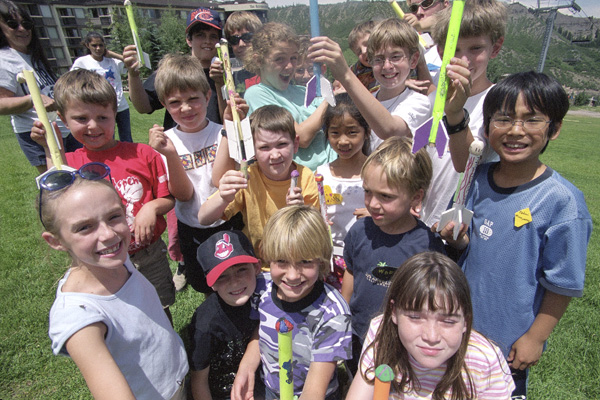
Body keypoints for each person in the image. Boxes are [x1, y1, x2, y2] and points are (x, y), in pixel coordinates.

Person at [435, 71, 593, 397]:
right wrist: (458, 240)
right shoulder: (474, 180)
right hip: (455, 332)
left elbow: (562, 283)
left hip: (506, 347)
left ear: (555, 128)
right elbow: (466, 245)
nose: (516, 131)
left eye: (532, 120)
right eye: (503, 119)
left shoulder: (561, 202)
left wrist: (534, 338)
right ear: (487, 126)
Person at [30, 69, 177, 318]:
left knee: (159, 308)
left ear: (115, 114)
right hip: (98, 259)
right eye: (81, 118)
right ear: (63, 120)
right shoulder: (69, 164)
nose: (93, 126)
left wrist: (151, 208)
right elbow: (56, 203)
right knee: (115, 314)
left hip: (147, 253)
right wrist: (50, 147)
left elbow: (168, 198)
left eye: (102, 117)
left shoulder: (142, 154)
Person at [41, 169, 188, 399]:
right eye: (84, 227)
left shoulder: (116, 261)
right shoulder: (79, 317)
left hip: (178, 378)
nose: (108, 234)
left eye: (113, 217)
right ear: (55, 241)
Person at [347, 251, 515, 399]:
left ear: (466, 320)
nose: (431, 336)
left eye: (448, 321)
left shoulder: (483, 358)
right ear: (394, 312)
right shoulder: (381, 331)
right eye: (415, 317)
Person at [341, 136, 445, 374]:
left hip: (403, 343)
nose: (373, 204)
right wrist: (343, 315)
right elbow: (351, 272)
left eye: (386, 196)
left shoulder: (428, 244)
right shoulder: (359, 231)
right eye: (368, 192)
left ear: (416, 197)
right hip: (359, 334)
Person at [232, 205, 352, 400]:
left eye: (305, 262)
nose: (293, 275)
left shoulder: (333, 313)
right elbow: (262, 329)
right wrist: (246, 367)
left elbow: (314, 391)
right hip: (270, 390)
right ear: (267, 257)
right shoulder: (261, 288)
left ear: (321, 262)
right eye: (281, 261)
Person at [150, 53, 245, 294]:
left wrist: (229, 129)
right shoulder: (165, 143)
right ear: (164, 103)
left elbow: (220, 179)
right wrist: (170, 155)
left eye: (193, 98)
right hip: (191, 226)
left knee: (236, 279)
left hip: (228, 221)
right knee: (203, 282)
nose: (185, 108)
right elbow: (183, 195)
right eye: (175, 102)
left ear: (208, 96)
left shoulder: (221, 132)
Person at [420, 0, 506, 227]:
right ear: (440, 51)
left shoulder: (498, 102)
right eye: (454, 49)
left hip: (459, 227)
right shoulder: (430, 92)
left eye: (476, 48)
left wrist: (455, 112)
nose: (464, 60)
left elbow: (466, 163)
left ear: (495, 48)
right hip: (417, 220)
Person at [198, 104, 320, 259]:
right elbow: (203, 218)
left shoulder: (305, 177)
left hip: (295, 260)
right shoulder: (248, 177)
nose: (275, 155)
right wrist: (223, 197)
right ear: (252, 151)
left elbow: (315, 230)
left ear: (295, 144)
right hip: (258, 265)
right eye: (264, 147)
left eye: (282, 144)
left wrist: (300, 211)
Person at [309, 18, 431, 152]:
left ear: (413, 60)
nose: (387, 66)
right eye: (378, 59)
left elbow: (390, 131)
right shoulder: (361, 104)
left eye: (396, 57)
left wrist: (346, 75)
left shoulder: (420, 102)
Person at [243, 22, 336, 171]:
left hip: (331, 171)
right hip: (302, 179)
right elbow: (301, 137)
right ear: (259, 60)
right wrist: (330, 99)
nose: (290, 66)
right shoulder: (256, 94)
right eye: (280, 59)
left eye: (293, 58)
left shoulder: (300, 91)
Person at [0, 0, 79, 174]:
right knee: (58, 185)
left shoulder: (33, 56)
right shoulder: (4, 59)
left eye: (26, 24)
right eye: (13, 24)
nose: (22, 29)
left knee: (80, 180)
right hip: (38, 133)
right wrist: (32, 99)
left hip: (64, 128)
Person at [189, 230, 266, 400]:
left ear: (257, 267)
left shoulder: (266, 296)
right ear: (211, 284)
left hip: (260, 382)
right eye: (222, 276)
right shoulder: (205, 324)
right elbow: (198, 381)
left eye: (241, 270)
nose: (234, 281)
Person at [124, 7, 223, 131]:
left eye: (213, 36)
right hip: (179, 147)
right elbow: (143, 107)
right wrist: (133, 75)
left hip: (217, 145)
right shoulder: (174, 69)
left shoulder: (226, 74)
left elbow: (228, 118)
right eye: (200, 35)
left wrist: (220, 83)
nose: (207, 41)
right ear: (189, 40)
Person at [315, 93, 370, 290]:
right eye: (335, 133)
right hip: (331, 261)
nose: (343, 141)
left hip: (367, 258)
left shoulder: (376, 172)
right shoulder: (321, 174)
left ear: (366, 131)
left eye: (352, 132)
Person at [71, 31, 132, 143]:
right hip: (101, 107)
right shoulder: (82, 62)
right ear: (87, 45)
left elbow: (132, 62)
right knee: (108, 137)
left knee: (126, 137)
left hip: (121, 105)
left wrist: (112, 54)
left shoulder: (113, 61)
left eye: (101, 45)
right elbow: (73, 80)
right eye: (94, 45)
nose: (98, 48)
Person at [209, 10, 263, 100]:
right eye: (234, 40)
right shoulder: (234, 79)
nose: (241, 44)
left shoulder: (274, 72)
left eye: (247, 37)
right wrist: (219, 83)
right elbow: (226, 113)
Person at [404, 0, 449, 82]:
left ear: (445, 3)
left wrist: (421, 25)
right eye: (414, 8)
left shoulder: (462, 29)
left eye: (426, 4)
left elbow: (449, 16)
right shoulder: (410, 41)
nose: (419, 12)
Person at [347, 20, 378, 92]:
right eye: (359, 51)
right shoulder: (358, 70)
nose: (364, 51)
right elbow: (345, 74)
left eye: (367, 44)